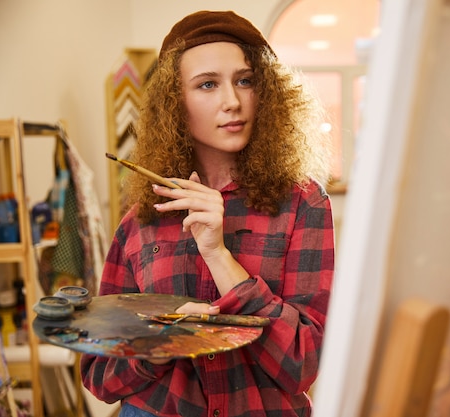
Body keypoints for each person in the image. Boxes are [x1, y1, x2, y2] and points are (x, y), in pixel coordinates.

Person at [80, 10, 335, 417]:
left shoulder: (303, 203)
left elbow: (304, 364)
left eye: (245, 80)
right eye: (208, 85)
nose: (232, 101)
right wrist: (161, 343)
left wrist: (218, 254)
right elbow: (98, 373)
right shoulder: (141, 219)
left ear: (266, 91)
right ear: (174, 102)